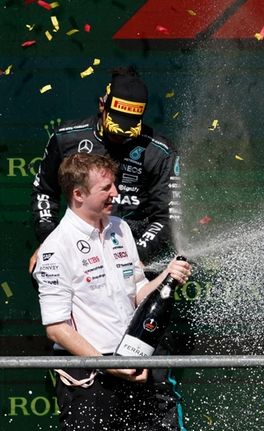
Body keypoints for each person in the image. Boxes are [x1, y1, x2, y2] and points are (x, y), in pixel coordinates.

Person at [33, 153, 192, 431]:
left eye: (114, 185)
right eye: (106, 188)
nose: (116, 194)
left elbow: (139, 293)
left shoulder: (121, 228)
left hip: (136, 364)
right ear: (78, 194)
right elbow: (56, 329)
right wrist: (107, 366)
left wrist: (167, 276)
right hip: (90, 377)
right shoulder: (55, 248)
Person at [30, 66, 181, 273]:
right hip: (76, 244)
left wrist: (133, 258)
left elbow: (167, 217)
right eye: (116, 126)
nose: (121, 134)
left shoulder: (160, 152)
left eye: (128, 128)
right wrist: (50, 243)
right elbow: (45, 192)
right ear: (103, 105)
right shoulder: (66, 138)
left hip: (134, 248)